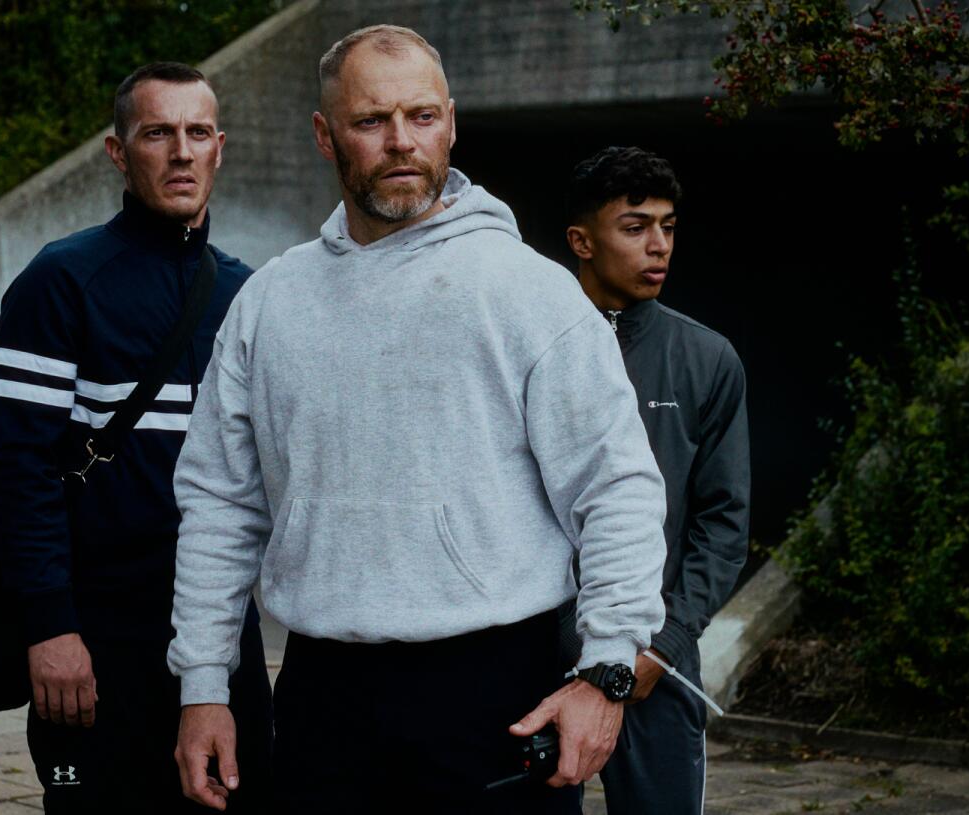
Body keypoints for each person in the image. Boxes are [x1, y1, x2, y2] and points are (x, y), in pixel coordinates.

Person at [167, 25, 667, 815]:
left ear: (453, 122)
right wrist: (202, 685)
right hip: (319, 692)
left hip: (495, 693)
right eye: (372, 122)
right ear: (324, 135)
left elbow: (617, 490)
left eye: (423, 116)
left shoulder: (530, 293)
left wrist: (605, 671)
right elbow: (221, 503)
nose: (403, 142)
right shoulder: (270, 300)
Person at [0, 62, 273, 813]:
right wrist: (50, 626)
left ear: (219, 147)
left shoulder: (251, 294)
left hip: (221, 641)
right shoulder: (63, 280)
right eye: (157, 133)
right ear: (119, 152)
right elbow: (18, 468)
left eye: (197, 132)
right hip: (96, 641)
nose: (181, 151)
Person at [563, 145, 751, 814]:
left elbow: (723, 524)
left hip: (655, 665)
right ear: (582, 241)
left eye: (668, 226)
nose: (659, 245)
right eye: (636, 225)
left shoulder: (707, 359)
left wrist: (664, 646)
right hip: (536, 660)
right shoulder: (531, 347)